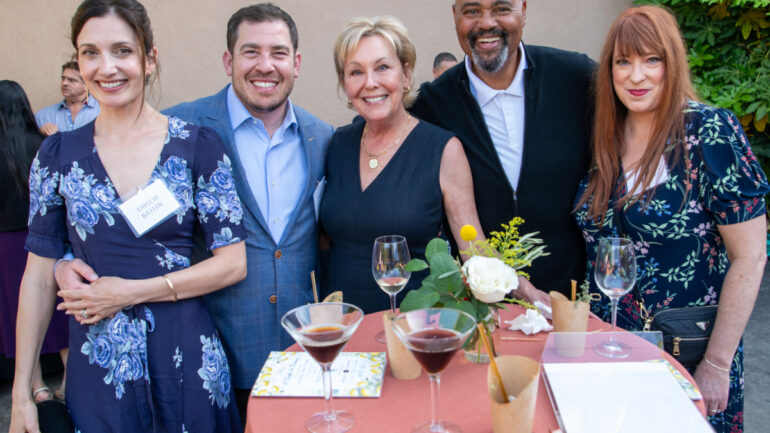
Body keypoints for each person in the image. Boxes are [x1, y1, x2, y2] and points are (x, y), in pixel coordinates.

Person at [56, 3, 333, 419]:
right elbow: (101, 214)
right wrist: (64, 261)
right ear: (228, 61)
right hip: (212, 349)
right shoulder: (182, 130)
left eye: (278, 53)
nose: (265, 65)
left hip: (302, 349)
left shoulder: (322, 137)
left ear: (296, 62)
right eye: (250, 52)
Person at [11, 1, 246, 431]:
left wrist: (130, 292)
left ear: (149, 59)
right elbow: (38, 277)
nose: (107, 68)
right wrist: (21, 393)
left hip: (186, 359)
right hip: (100, 367)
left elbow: (233, 263)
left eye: (122, 50)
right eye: (90, 53)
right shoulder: (56, 156)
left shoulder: (197, 146)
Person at [573, 6, 768, 432]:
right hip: (612, 353)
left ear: (672, 63)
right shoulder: (606, 136)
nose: (636, 76)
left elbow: (750, 257)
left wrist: (717, 365)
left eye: (651, 60)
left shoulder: (709, 132)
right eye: (623, 61)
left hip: (691, 351)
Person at [409, 0, 596, 304]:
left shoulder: (577, 78)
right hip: (480, 314)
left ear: (523, 9)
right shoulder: (431, 105)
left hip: (574, 304)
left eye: (500, 8)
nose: (485, 23)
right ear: (454, 15)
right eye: (472, 11)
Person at [321, 15, 483, 314]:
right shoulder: (336, 145)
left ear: (406, 75)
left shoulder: (443, 150)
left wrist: (520, 291)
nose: (370, 83)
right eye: (356, 72)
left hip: (415, 324)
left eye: (383, 67)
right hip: (342, 325)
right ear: (345, 83)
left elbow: (474, 250)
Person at [0, 80, 69, 404]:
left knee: (19, 311)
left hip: (6, 243)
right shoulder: (42, 144)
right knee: (58, 306)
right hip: (44, 236)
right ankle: (70, 379)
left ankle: (37, 386)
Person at [35, 60, 100, 136]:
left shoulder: (102, 112)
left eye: (72, 80)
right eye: (63, 79)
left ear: (86, 85)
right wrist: (41, 133)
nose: (64, 83)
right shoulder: (43, 116)